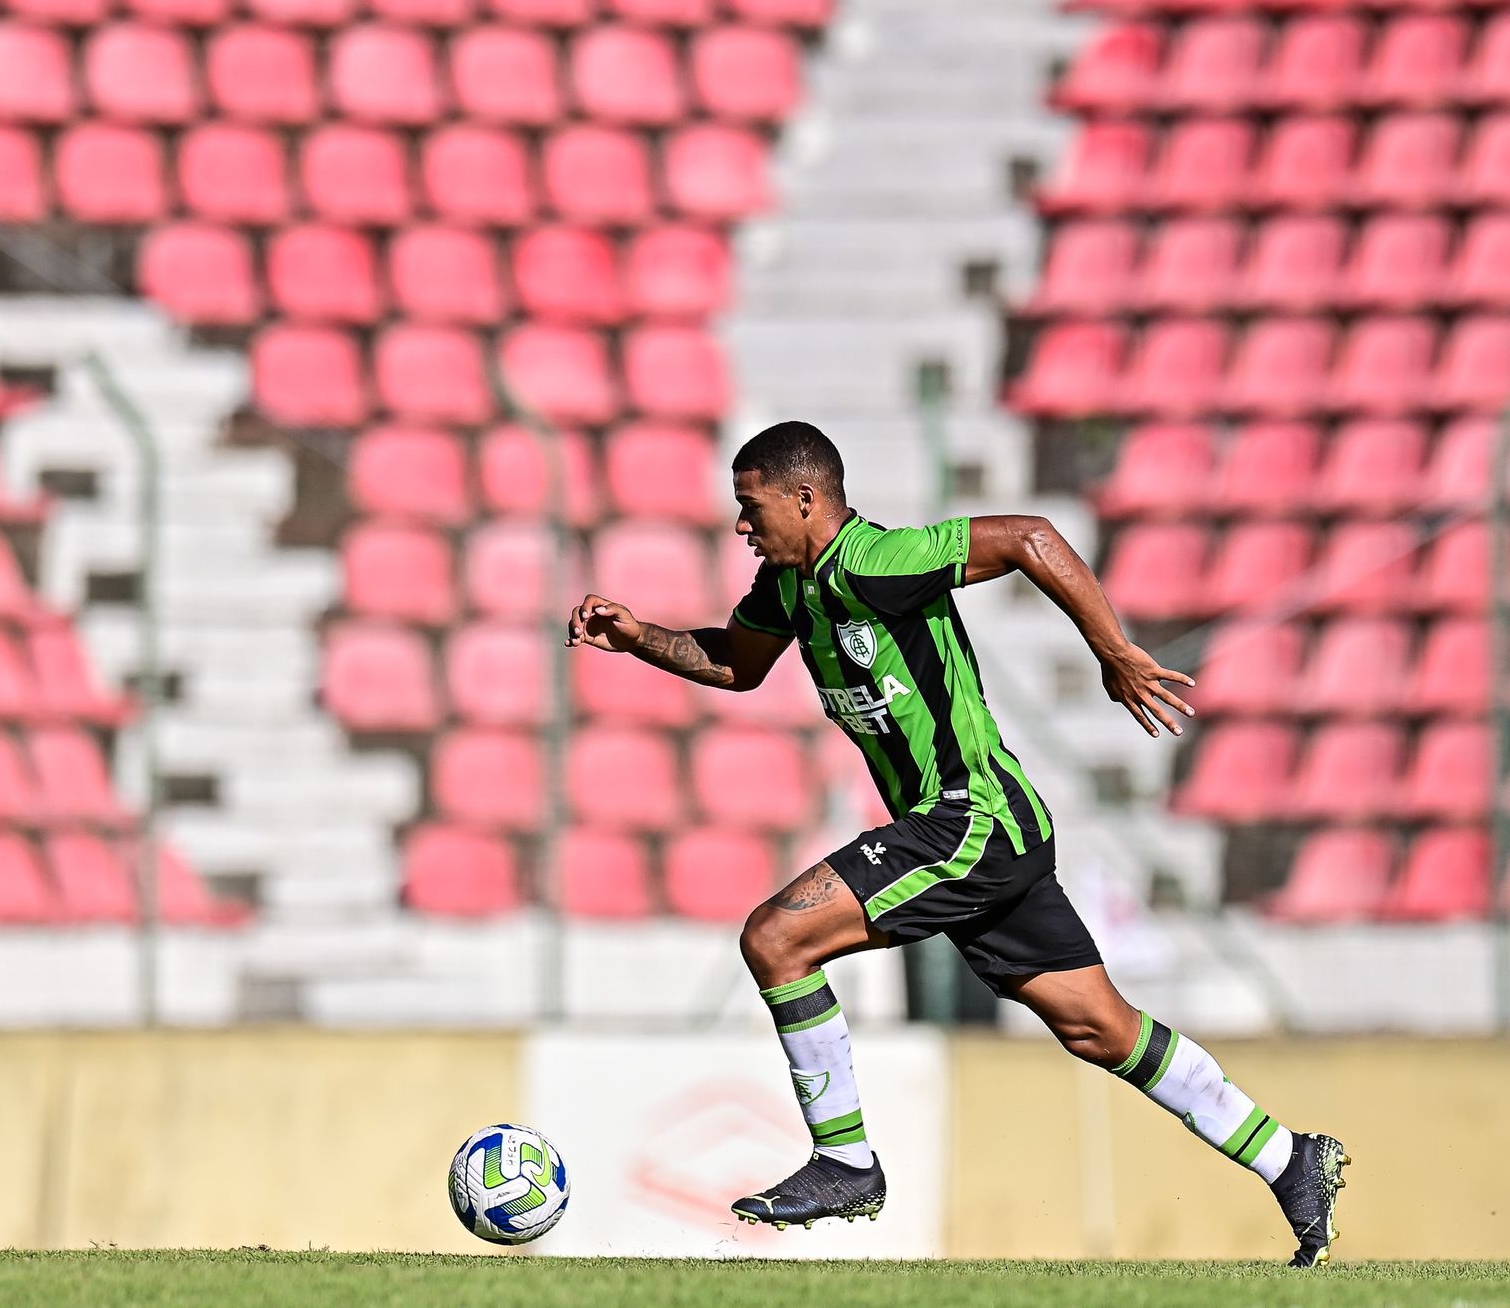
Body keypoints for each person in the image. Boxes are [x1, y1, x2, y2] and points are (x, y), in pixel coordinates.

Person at [566, 421, 1348, 1267]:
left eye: (751, 506)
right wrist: (638, 634)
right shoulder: (789, 589)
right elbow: (738, 661)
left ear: (805, 497)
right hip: (978, 835)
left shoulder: (877, 561)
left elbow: (1030, 537)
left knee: (776, 936)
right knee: (1100, 1028)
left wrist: (1114, 651)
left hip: (969, 817)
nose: (742, 524)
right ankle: (1290, 1159)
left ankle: (846, 1160)